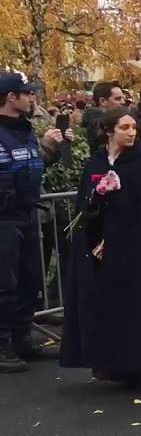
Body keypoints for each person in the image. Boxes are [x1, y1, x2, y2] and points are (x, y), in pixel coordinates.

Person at [60, 108, 141, 386]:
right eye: (124, 128)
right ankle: (106, 361)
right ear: (108, 131)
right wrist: (98, 196)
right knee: (103, 303)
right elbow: (84, 204)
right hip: (101, 247)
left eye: (134, 128)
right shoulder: (95, 163)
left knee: (135, 303)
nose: (131, 133)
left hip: (136, 247)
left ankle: (135, 362)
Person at [0, 70, 73, 373]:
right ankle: (3, 346)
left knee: (31, 280)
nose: (32, 98)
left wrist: (51, 151)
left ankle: (22, 340)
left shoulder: (25, 129)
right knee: (5, 284)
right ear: (10, 97)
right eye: (27, 93)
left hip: (28, 214)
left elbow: (32, 166)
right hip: (4, 219)